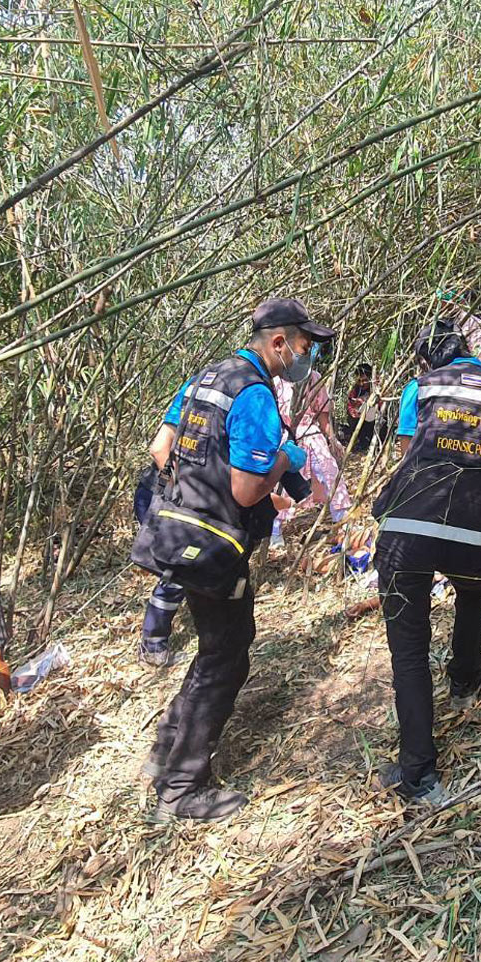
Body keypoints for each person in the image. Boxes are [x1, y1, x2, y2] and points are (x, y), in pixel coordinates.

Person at [141, 296, 334, 821]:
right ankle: (181, 789)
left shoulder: (206, 378)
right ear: (278, 344)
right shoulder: (254, 394)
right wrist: (284, 461)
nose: (305, 355)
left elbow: (162, 449)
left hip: (178, 534)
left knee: (213, 647)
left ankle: (165, 752)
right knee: (227, 654)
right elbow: (248, 491)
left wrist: (197, 491)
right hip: (216, 545)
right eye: (303, 345)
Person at [371, 320, 481, 805]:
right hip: (472, 532)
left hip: (407, 534)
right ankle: (464, 682)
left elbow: (407, 458)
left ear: (425, 360)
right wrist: (479, 520)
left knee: (410, 651)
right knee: (473, 593)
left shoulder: (421, 387)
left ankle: (419, 773)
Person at [273, 361, 351, 541]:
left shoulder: (313, 377)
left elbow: (323, 416)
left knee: (331, 475)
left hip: (311, 434)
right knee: (282, 485)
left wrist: (332, 439)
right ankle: (275, 534)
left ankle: (345, 525)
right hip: (285, 438)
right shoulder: (275, 379)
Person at [133, 464, 184, 667]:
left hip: (176, 499)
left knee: (184, 572)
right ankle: (152, 648)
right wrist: (182, 489)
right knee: (177, 573)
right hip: (161, 497)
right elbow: (159, 449)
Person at [344, 364, 379, 454]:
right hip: (359, 418)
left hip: (374, 419)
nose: (361, 383)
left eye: (365, 380)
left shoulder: (376, 387)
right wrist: (353, 411)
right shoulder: (355, 389)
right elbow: (350, 404)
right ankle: (360, 440)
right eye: (359, 381)